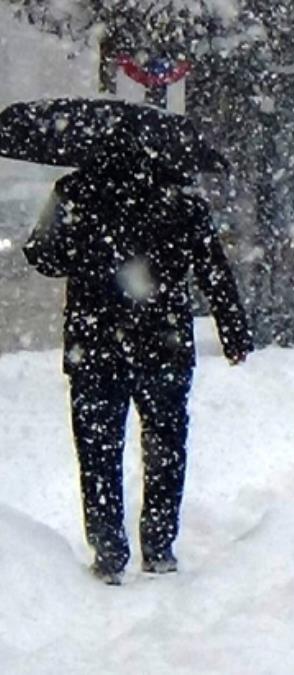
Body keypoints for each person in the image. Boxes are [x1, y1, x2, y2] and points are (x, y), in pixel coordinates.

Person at [24, 156, 252, 585]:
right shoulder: (181, 198)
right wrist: (233, 331)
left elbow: (44, 257)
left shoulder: (76, 191)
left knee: (98, 449)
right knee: (166, 442)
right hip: (163, 341)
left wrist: (81, 243)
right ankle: (159, 545)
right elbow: (213, 270)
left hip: (95, 342)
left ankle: (109, 550)